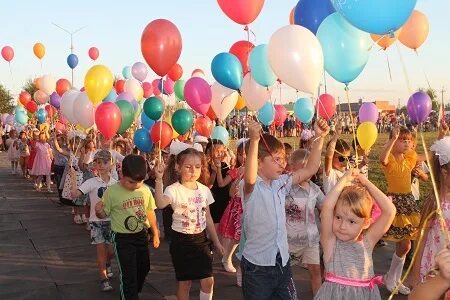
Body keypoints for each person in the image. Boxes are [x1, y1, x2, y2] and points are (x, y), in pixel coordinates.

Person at [240, 119, 329, 300]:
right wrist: (255, 141)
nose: (282, 164)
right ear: (259, 162)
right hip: (257, 267)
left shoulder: (281, 183)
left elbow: (311, 168)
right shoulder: (250, 186)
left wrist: (320, 138)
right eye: (277, 159)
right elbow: (250, 178)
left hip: (282, 262)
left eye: (283, 159)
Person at [154, 147, 224, 300]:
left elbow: (209, 218)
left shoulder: (204, 190)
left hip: (201, 240)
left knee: (208, 280)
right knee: (185, 283)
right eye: (188, 167)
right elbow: (159, 204)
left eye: (197, 167)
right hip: (181, 242)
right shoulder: (173, 190)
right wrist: (159, 179)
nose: (193, 171)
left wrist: (217, 242)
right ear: (178, 168)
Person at [315, 169, 396, 300]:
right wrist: (344, 180)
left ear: (366, 223)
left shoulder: (367, 242)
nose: (342, 226)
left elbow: (390, 211)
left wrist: (366, 183)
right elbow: (327, 207)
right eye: (338, 217)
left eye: (352, 221)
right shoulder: (330, 242)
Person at [95, 154, 159, 300]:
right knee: (128, 274)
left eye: (140, 182)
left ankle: (132, 291)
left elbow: (149, 211)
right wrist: (98, 211)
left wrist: (155, 232)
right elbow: (103, 214)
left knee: (144, 267)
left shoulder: (144, 190)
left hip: (141, 234)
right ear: (122, 174)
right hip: (122, 238)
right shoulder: (112, 192)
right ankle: (130, 294)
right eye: (131, 182)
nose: (135, 186)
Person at [69, 150, 116, 292]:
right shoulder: (91, 182)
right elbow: (74, 194)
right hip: (96, 223)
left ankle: (108, 263)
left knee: (111, 251)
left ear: (111, 164)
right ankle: (104, 278)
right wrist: (72, 178)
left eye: (105, 162)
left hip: (112, 222)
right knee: (101, 251)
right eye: (98, 162)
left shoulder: (115, 184)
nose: (101, 165)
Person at [380, 126, 419, 295]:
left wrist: (414, 135)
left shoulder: (408, 159)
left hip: (408, 202)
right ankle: (392, 278)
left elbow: (416, 147)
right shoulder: (390, 161)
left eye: (408, 140)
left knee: (406, 245)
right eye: (402, 140)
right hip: (396, 203)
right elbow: (382, 158)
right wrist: (392, 139)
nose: (406, 143)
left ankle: (394, 278)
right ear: (394, 141)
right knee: (404, 245)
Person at [285, 149, 325, 296]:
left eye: (311, 168)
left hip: (311, 239)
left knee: (315, 271)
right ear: (293, 168)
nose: (310, 172)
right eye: (305, 167)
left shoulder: (314, 189)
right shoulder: (286, 188)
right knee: (284, 273)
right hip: (289, 240)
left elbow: (325, 205)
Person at [218, 139, 246, 281]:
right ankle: (227, 258)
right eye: (241, 154)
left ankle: (241, 266)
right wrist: (218, 169)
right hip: (237, 207)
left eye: (247, 154)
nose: (244, 157)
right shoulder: (236, 171)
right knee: (236, 237)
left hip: (251, 206)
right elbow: (226, 187)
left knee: (245, 238)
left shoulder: (260, 170)